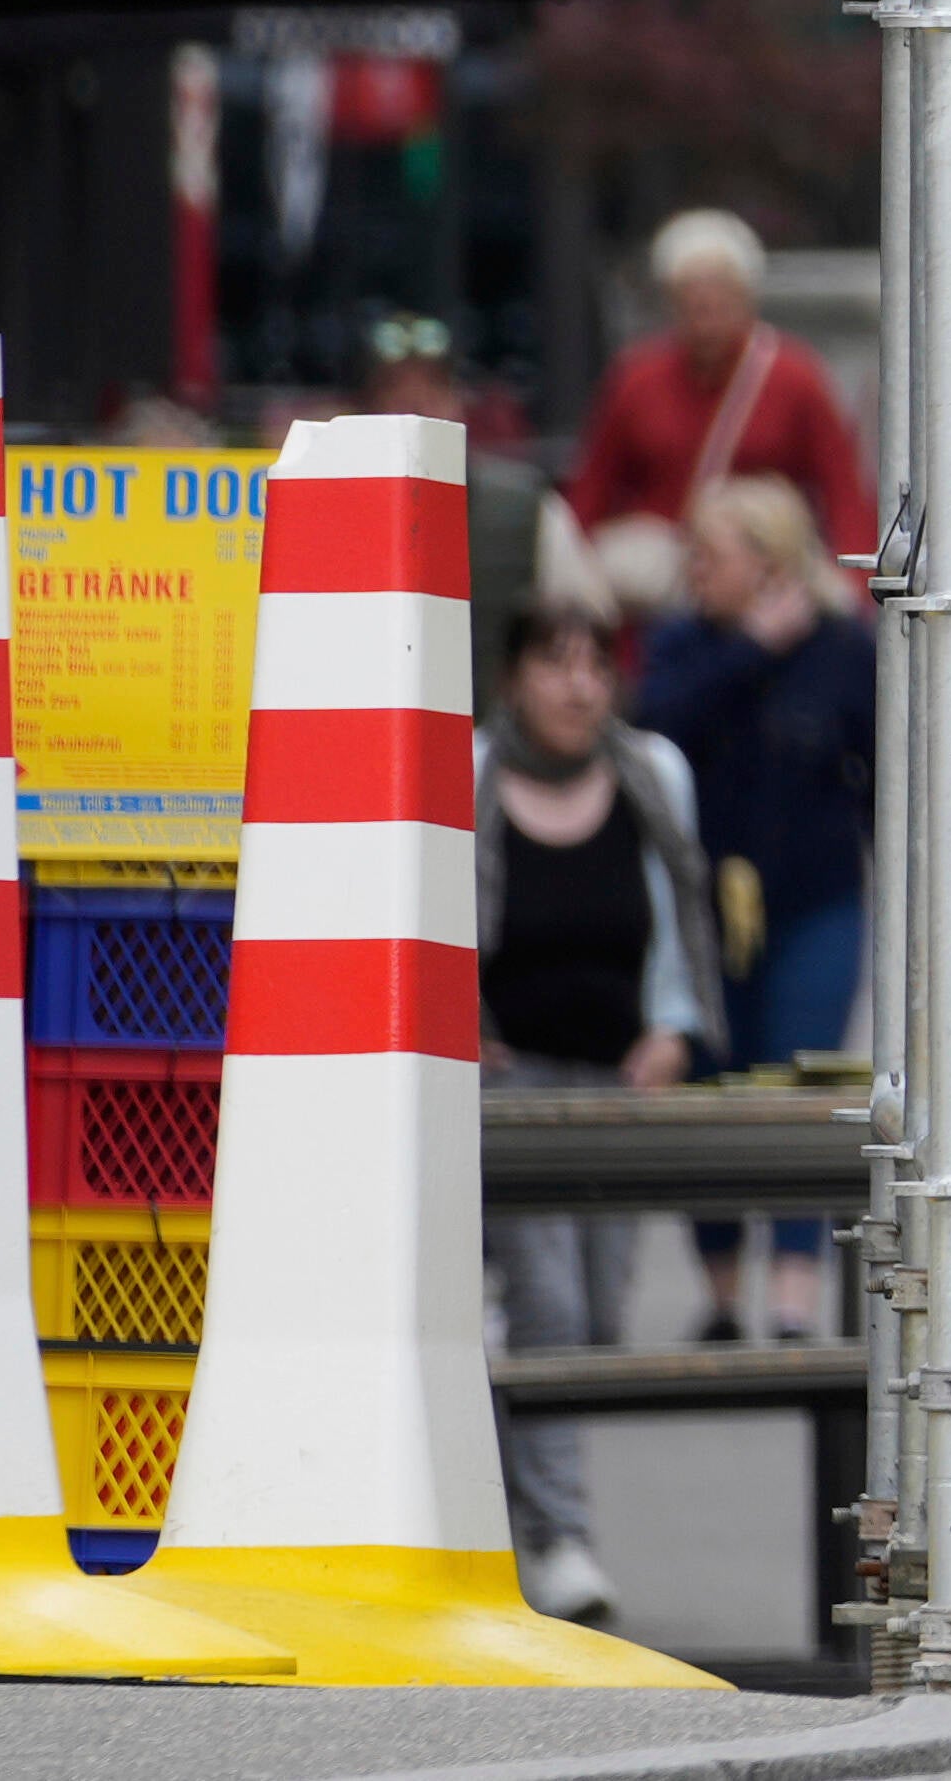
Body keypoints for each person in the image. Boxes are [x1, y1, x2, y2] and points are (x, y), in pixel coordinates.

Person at [476, 589, 728, 1629]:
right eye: (554, 660)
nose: (578, 683)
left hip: (618, 1090)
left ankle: (508, 1458)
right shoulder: (473, 775)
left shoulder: (651, 774)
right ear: (514, 675)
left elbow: (680, 920)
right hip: (512, 1086)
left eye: (595, 662)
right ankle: (558, 1537)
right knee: (551, 1310)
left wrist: (670, 1030)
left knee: (599, 1314)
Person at [630, 471, 879, 1340]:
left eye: (712, 553)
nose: (693, 568)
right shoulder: (682, 645)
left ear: (769, 563)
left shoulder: (843, 646)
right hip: (697, 914)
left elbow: (884, 773)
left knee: (797, 1079)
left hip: (815, 901)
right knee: (707, 1084)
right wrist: (750, 651)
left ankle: (795, 1294)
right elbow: (650, 729)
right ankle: (727, 1292)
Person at [568, 211, 877, 575]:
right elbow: (593, 490)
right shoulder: (636, 380)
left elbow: (843, 491)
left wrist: (856, 585)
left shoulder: (795, 378)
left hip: (765, 584)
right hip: (662, 587)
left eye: (720, 298)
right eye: (692, 300)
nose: (706, 315)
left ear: (747, 298)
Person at [367, 315, 604, 712]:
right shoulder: (330, 513)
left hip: (497, 744)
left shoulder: (525, 508)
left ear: (459, 402)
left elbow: (590, 629)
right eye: (394, 389)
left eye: (434, 387)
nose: (415, 404)